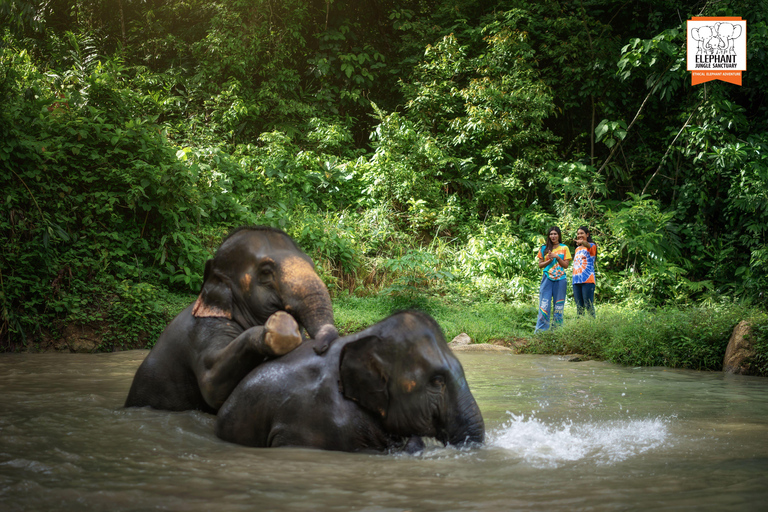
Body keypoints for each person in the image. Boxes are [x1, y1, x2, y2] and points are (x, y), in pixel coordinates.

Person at [535, 226, 571, 333]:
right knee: (544, 304)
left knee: (558, 306)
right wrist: (549, 260)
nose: (553, 236)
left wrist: (557, 257)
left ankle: (557, 332)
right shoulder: (543, 248)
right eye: (551, 234)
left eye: (555, 234)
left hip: (561, 280)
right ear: (548, 236)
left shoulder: (565, 248)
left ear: (559, 235)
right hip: (547, 279)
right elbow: (540, 265)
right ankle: (541, 332)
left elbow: (566, 266)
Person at [571, 226, 597, 317]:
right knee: (579, 307)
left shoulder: (592, 246)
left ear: (587, 234)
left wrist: (583, 242)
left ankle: (592, 326)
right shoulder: (577, 249)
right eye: (578, 234)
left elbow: (588, 245)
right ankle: (579, 328)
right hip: (576, 280)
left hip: (588, 280)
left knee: (588, 305)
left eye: (582, 233)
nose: (579, 235)